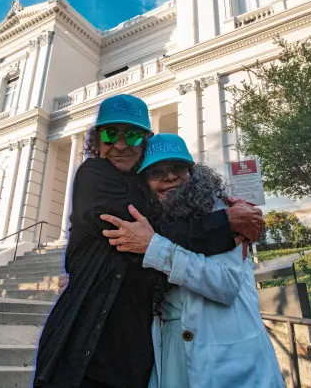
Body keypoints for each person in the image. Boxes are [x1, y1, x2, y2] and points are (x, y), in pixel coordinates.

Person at [34, 94, 264, 388]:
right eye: (109, 134)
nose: (120, 144)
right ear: (96, 139)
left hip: (148, 355)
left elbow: (217, 278)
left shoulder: (186, 205)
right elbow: (146, 231)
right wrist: (224, 224)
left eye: (131, 135)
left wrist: (223, 213)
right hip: (89, 343)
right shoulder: (94, 174)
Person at [100, 133, 283, 388]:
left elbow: (224, 283)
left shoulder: (222, 213)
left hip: (229, 355)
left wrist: (155, 248)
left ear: (192, 173)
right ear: (143, 183)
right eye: (156, 171)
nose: (170, 177)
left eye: (177, 168)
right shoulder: (148, 223)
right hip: (170, 352)